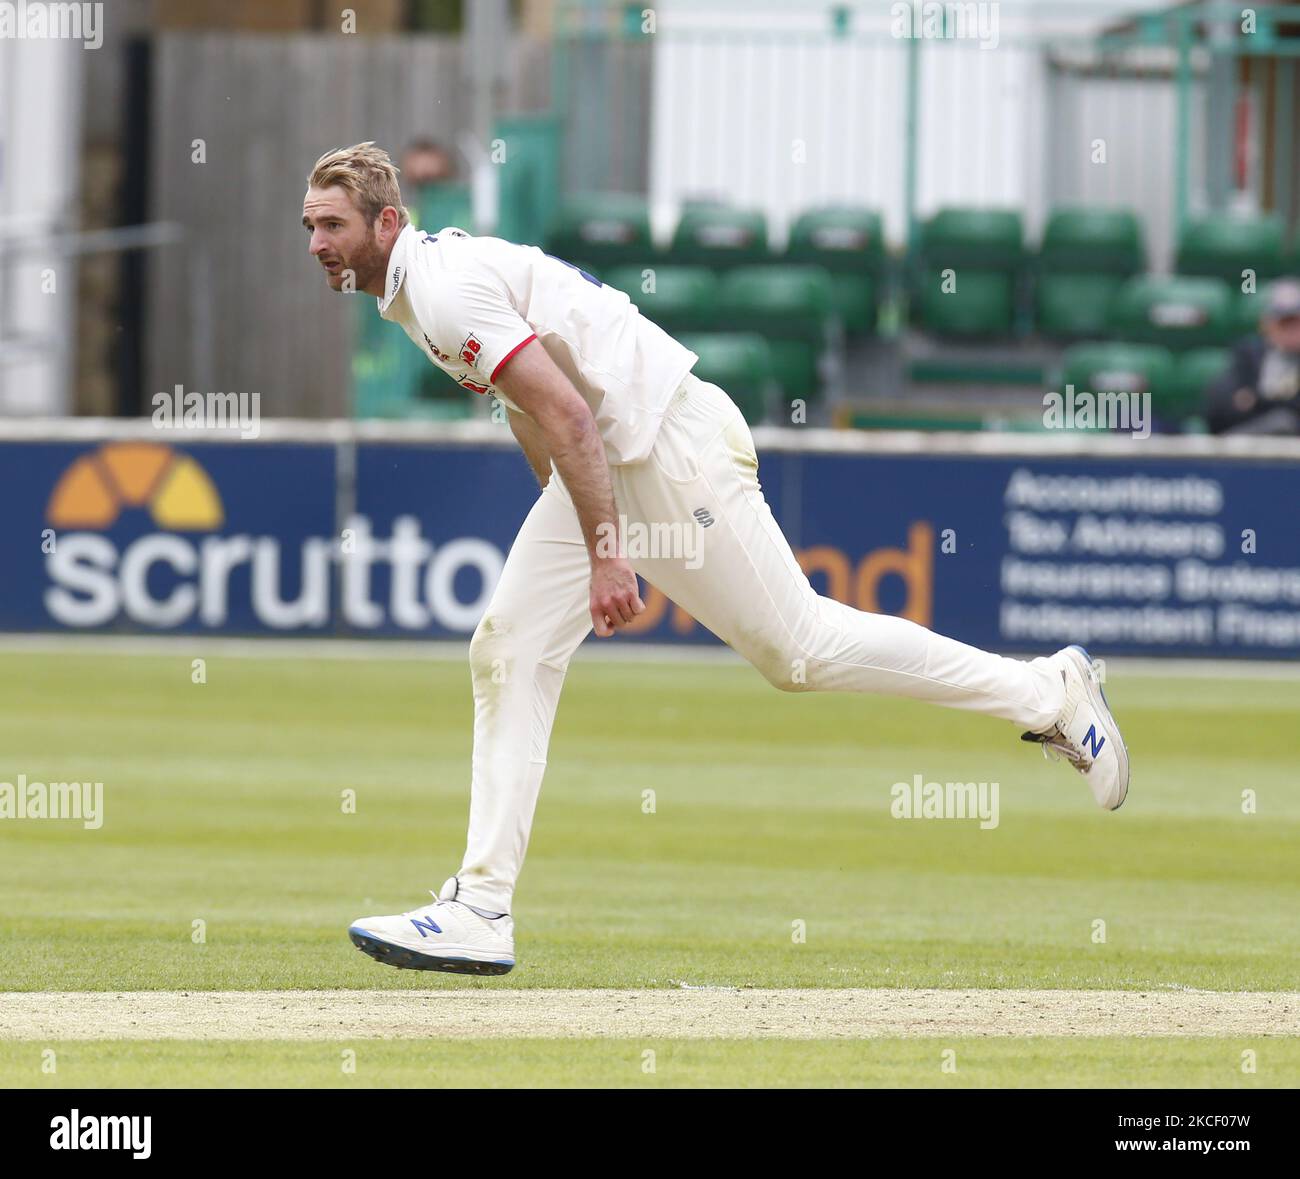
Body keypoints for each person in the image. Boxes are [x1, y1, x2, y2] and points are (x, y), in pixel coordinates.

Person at [301, 142, 1130, 976]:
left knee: (801, 651)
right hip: (617, 456)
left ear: (388, 222)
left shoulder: (440, 290)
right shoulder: (419, 292)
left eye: (333, 224)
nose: (316, 243)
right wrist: (573, 526)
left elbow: (572, 418)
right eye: (308, 226)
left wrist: (605, 557)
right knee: (507, 645)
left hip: (667, 445)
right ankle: (480, 908)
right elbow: (536, 411)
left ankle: (1049, 692)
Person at [1206, 278, 1300, 435]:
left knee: (1283, 422)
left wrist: (1255, 400)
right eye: (1284, 323)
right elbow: (1217, 407)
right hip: (1246, 439)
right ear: (1267, 324)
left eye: (1296, 323)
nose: (1292, 331)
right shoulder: (1248, 354)